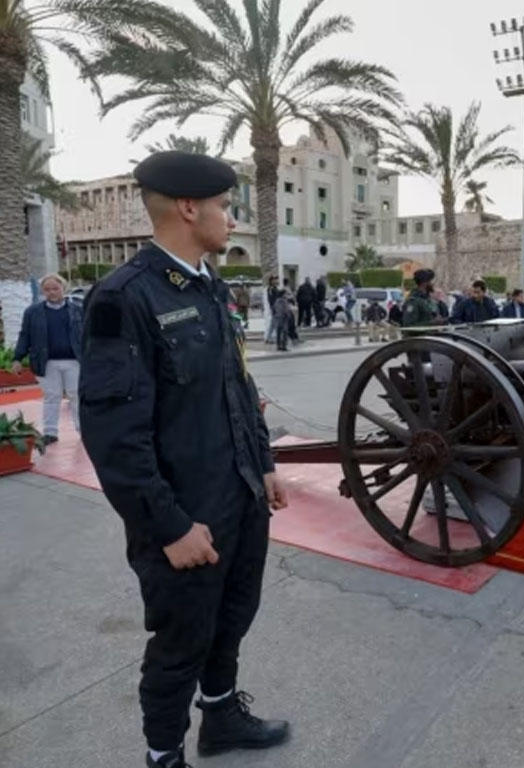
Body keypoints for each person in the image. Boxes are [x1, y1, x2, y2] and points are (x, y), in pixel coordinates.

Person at [77, 151, 290, 768]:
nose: (231, 217)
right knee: (179, 643)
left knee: (231, 618)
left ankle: (220, 718)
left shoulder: (210, 287)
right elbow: (115, 436)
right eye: (224, 206)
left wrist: (265, 463)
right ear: (189, 207)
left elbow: (239, 388)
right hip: (183, 514)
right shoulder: (125, 299)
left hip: (239, 497)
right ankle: (162, 755)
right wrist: (167, 526)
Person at [12, 273, 83, 443]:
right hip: (47, 362)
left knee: (76, 396)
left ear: (63, 288)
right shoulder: (32, 312)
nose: (51, 292)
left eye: (55, 288)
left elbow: (88, 334)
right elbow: (25, 335)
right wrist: (17, 358)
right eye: (47, 289)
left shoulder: (77, 310)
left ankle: (83, 430)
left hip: (74, 361)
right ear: (42, 291)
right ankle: (50, 432)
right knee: (52, 397)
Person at [262, 276, 280, 344]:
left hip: (276, 308)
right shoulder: (270, 289)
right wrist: (273, 308)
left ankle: (268, 338)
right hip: (274, 308)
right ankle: (270, 338)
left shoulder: (274, 288)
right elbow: (271, 299)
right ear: (271, 281)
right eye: (274, 280)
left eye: (276, 280)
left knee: (272, 325)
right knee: (274, 324)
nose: (276, 281)